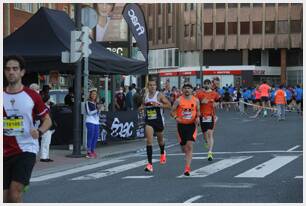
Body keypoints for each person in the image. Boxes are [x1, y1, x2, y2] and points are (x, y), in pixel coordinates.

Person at [3, 56, 52, 203]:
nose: (11, 72)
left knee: (15, 192)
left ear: (22, 72)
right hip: (4, 151)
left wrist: (40, 131)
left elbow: (47, 120)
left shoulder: (32, 96)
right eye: (7, 69)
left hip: (26, 149)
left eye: (15, 69)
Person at [171, 82, 200, 176]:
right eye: (185, 88)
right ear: (182, 90)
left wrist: (198, 118)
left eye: (189, 88)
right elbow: (172, 111)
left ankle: (187, 168)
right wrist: (176, 118)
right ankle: (184, 150)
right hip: (181, 126)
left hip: (191, 125)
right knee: (184, 148)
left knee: (189, 146)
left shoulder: (196, 100)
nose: (187, 90)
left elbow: (198, 111)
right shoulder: (178, 100)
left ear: (192, 90)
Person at [143, 78, 171, 172]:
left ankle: (162, 152)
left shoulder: (159, 95)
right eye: (150, 85)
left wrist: (159, 105)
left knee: (160, 141)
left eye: (154, 85)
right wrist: (142, 108)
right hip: (149, 121)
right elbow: (142, 106)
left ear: (156, 86)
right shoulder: (145, 95)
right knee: (149, 141)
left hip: (158, 121)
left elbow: (169, 105)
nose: (152, 87)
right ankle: (149, 164)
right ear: (148, 86)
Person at [196, 79, 220, 161]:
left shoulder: (214, 93)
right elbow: (196, 104)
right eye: (205, 84)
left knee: (210, 134)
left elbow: (218, 101)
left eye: (208, 84)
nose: (206, 85)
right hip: (202, 116)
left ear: (210, 85)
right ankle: (206, 142)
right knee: (205, 135)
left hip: (211, 116)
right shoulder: (199, 94)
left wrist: (215, 104)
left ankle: (210, 153)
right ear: (203, 85)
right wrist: (201, 102)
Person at [85, 88, 101, 158]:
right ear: (90, 95)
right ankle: (88, 152)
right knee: (90, 137)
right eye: (93, 94)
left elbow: (98, 113)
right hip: (90, 121)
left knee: (96, 137)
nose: (94, 95)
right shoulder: (87, 102)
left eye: (95, 94)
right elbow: (88, 112)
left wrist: (99, 109)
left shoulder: (96, 103)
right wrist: (97, 109)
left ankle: (92, 150)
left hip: (96, 122)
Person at [40, 94, 55, 162]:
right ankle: (43, 157)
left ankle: (46, 156)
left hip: (49, 127)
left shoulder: (48, 107)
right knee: (45, 142)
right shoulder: (44, 107)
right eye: (49, 99)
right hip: (45, 127)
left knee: (47, 142)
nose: (51, 100)